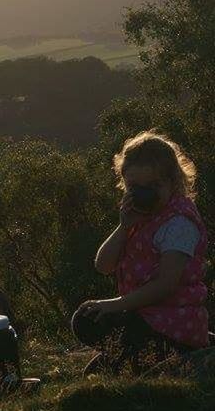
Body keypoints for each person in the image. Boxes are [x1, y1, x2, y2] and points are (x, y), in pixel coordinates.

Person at [72, 131, 209, 375]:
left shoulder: (178, 223)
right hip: (146, 317)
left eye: (153, 186)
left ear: (173, 182)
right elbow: (103, 265)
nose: (145, 194)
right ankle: (139, 355)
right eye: (136, 187)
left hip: (172, 322)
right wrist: (124, 226)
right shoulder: (141, 219)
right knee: (86, 319)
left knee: (93, 321)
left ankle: (176, 350)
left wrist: (114, 305)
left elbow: (165, 285)